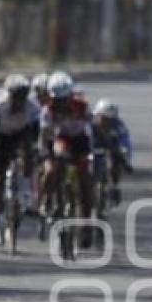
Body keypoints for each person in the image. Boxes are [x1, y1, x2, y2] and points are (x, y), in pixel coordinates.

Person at [38, 71, 95, 247]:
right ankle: (48, 200)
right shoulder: (47, 110)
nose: (61, 104)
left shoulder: (82, 106)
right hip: (59, 139)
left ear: (71, 96)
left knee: (85, 181)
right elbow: (45, 137)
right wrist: (47, 157)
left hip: (79, 141)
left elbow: (94, 129)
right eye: (57, 100)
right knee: (51, 170)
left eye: (64, 100)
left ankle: (86, 225)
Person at [0, 74, 41, 245]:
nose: (18, 101)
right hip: (1, 137)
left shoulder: (32, 107)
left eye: (22, 97)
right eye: (15, 97)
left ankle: (25, 189)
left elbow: (35, 134)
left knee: (29, 151)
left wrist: (34, 148)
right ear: (8, 94)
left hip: (20, 135)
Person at [92, 98, 133, 208]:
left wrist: (125, 159)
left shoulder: (119, 126)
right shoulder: (89, 124)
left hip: (110, 149)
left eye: (111, 120)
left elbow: (126, 143)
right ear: (97, 115)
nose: (107, 122)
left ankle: (114, 186)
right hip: (92, 149)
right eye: (104, 119)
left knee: (116, 159)